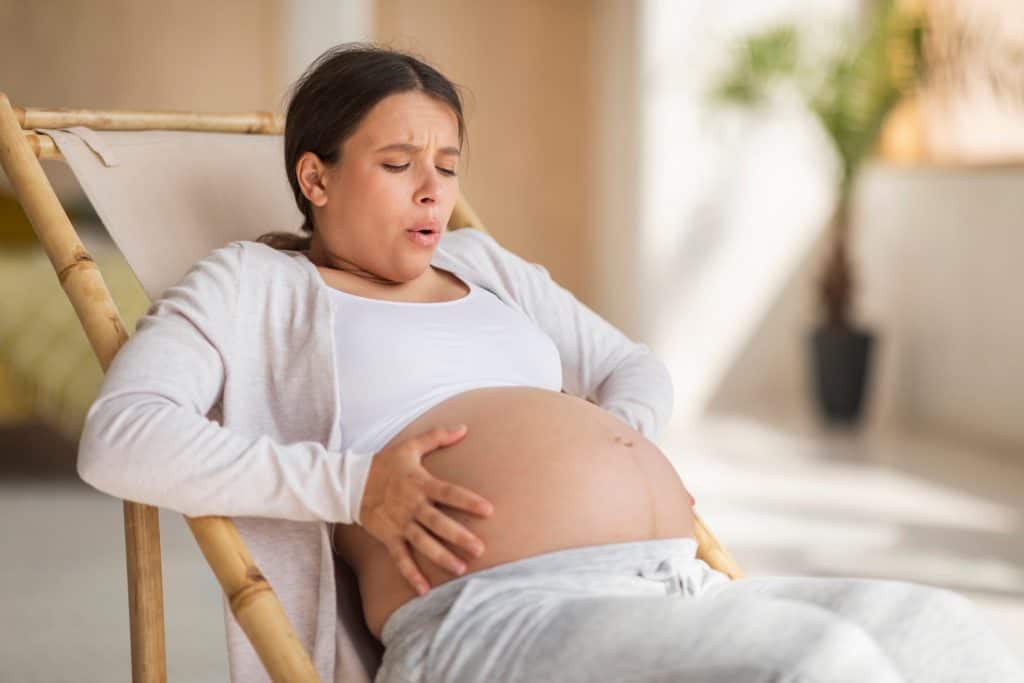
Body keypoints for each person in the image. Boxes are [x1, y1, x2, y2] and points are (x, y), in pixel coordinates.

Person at [77, 43, 1024, 683]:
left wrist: (624, 445)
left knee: (950, 637)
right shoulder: (255, 284)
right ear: (314, 176)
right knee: (818, 664)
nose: (433, 191)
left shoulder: (481, 265)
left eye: (448, 164)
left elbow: (632, 368)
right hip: (488, 619)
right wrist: (356, 485)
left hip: (665, 580)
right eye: (399, 161)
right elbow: (120, 439)